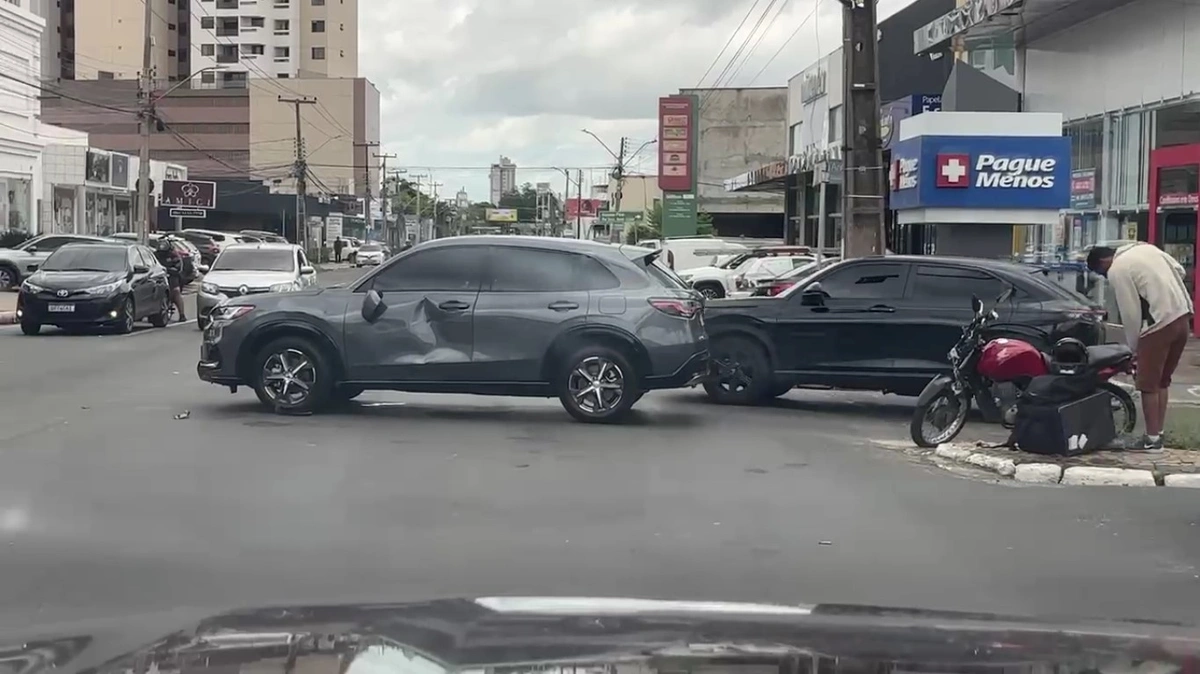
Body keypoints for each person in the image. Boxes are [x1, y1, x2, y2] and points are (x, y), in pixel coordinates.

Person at [1087, 243, 1193, 451]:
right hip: (1182, 316)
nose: (1106, 278)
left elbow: (1130, 312)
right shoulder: (1146, 249)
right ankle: (1158, 434)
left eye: (1101, 273)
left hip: (1160, 323)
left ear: (1102, 263)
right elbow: (1179, 271)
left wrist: (1134, 348)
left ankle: (1151, 440)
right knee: (1162, 381)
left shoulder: (1118, 269)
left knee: (1147, 384)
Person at [154, 237, 187, 323]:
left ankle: (182, 314)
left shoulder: (174, 255)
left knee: (176, 291)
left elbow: (178, 268)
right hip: (159, 277)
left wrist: (169, 270)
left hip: (172, 277)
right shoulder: (155, 255)